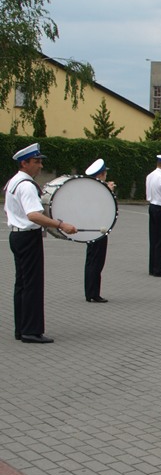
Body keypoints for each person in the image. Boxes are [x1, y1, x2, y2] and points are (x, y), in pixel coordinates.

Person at [4, 143, 78, 343]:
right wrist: (61, 225)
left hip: (18, 236)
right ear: (24, 163)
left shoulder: (14, 181)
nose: (40, 166)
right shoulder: (27, 185)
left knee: (22, 284)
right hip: (28, 237)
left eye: (40, 162)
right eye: (36, 162)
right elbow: (34, 215)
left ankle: (21, 328)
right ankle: (31, 331)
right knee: (32, 285)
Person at [84, 158, 114, 303]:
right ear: (101, 174)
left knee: (91, 261)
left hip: (92, 228)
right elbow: (105, 208)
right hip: (98, 229)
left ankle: (90, 292)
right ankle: (93, 293)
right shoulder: (100, 190)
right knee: (96, 262)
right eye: (105, 173)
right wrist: (110, 192)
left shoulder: (90, 188)